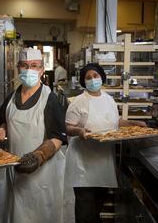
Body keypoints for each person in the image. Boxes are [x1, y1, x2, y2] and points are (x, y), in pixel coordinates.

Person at [0, 48, 66, 223]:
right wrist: (3, 128)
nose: (29, 70)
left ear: (42, 70)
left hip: (41, 174)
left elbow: (58, 137)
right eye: (25, 65)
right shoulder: (12, 97)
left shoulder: (49, 99)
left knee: (38, 214)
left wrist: (39, 156)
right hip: (13, 169)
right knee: (14, 213)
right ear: (18, 69)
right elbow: (2, 119)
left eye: (35, 66)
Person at [63, 63, 146, 223]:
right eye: (88, 77)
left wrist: (133, 124)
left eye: (95, 76)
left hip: (103, 162)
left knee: (98, 205)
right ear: (83, 81)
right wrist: (79, 132)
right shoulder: (78, 102)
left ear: (102, 77)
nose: (93, 80)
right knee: (85, 210)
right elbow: (67, 127)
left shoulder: (109, 100)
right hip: (83, 164)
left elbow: (116, 122)